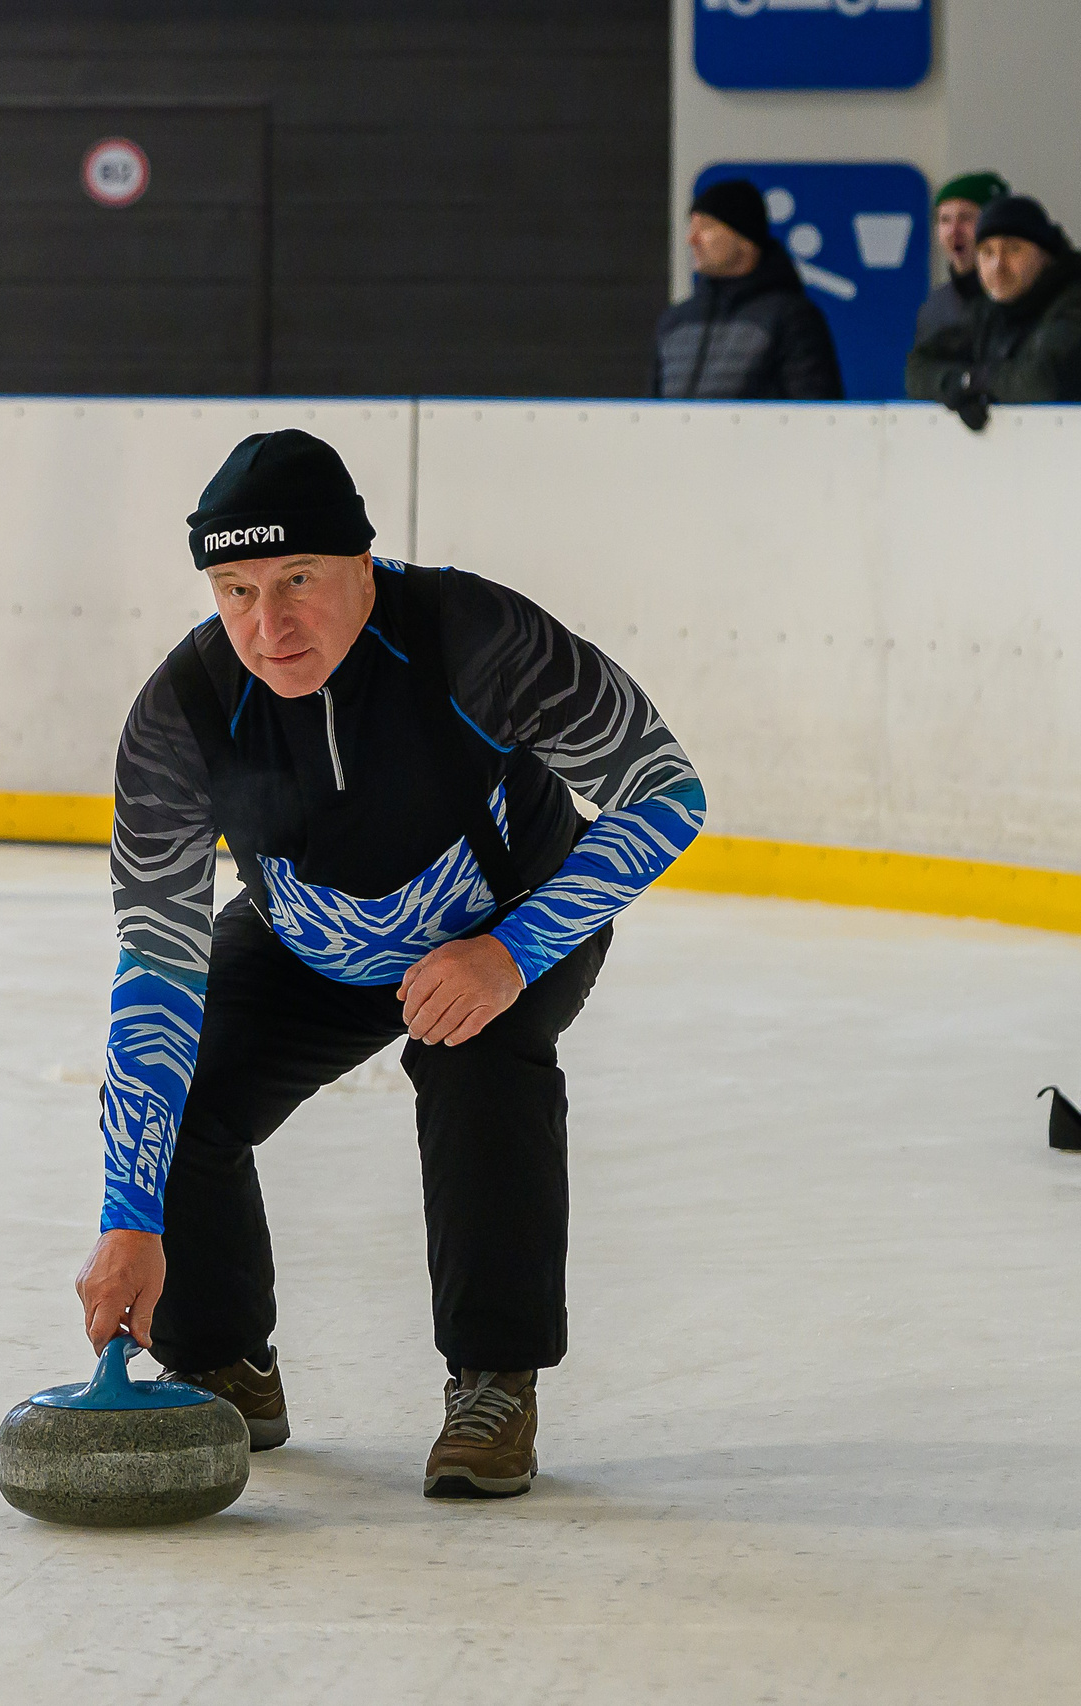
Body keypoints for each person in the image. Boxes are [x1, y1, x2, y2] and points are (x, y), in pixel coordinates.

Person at [72, 430, 705, 1500]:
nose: (267, 626)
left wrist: (512, 951)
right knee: (182, 1084)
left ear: (362, 563)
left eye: (298, 580)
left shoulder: (473, 637)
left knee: (476, 1060)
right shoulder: (179, 711)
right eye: (235, 589)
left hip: (508, 920)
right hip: (305, 943)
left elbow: (664, 790)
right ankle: (227, 1359)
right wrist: (127, 1216)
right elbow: (157, 966)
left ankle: (492, 1378)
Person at [909, 194, 1081, 430]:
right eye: (987, 252)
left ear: (1045, 256)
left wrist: (975, 381)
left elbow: (1042, 383)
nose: (998, 266)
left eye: (1014, 250)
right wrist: (956, 385)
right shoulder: (988, 311)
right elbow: (918, 368)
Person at [649, 177, 843, 401]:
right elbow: (651, 415)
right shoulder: (675, 321)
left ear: (743, 236)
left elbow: (816, 416)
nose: (692, 239)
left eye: (707, 227)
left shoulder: (792, 318)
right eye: (691, 227)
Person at [909, 170, 1009, 354]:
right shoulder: (936, 307)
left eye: (966, 218)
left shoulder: (1019, 300)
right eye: (945, 220)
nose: (954, 230)